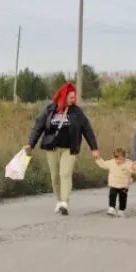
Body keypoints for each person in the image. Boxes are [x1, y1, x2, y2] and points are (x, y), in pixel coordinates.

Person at [24, 81, 100, 215]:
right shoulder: (49, 110)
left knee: (65, 174)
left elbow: (87, 129)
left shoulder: (77, 112)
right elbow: (38, 127)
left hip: (69, 149)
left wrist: (94, 148)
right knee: (55, 176)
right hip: (52, 148)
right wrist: (30, 144)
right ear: (63, 96)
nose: (74, 99)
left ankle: (65, 202)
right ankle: (59, 201)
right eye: (71, 97)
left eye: (74, 97)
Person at [95, 147, 136, 217]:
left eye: (121, 159)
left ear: (125, 157)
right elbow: (103, 164)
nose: (118, 161)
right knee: (112, 195)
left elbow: (133, 169)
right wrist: (98, 159)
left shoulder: (128, 163)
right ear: (114, 157)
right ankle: (111, 208)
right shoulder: (111, 162)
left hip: (124, 184)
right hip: (113, 183)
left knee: (123, 197)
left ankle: (121, 210)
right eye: (117, 159)